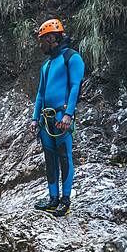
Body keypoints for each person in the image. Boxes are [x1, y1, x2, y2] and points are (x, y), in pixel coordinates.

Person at [30, 19, 85, 217]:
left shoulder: (72, 58)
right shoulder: (47, 65)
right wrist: (35, 118)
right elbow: (40, 94)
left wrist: (69, 115)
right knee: (50, 159)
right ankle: (53, 199)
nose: (40, 44)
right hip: (47, 120)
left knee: (64, 157)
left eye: (42, 40)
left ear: (52, 38)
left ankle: (65, 200)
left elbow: (75, 87)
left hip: (62, 118)